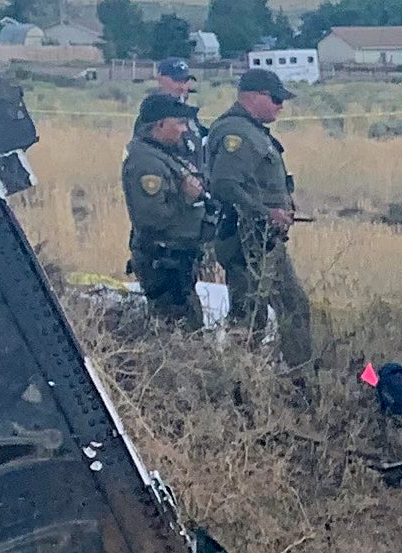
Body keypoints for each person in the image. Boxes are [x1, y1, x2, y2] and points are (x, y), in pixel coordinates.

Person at [201, 69, 314, 369]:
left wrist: (283, 204)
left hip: (264, 242)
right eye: (275, 99)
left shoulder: (252, 131)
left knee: (293, 308)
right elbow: (225, 185)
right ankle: (240, 384)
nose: (281, 106)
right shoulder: (236, 133)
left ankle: (300, 377)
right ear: (254, 96)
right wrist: (268, 213)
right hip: (245, 241)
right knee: (250, 319)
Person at [118, 92, 211, 327]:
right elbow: (151, 218)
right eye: (179, 123)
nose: (184, 129)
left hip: (178, 258)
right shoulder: (145, 162)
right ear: (159, 124)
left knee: (188, 325)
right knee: (177, 330)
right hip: (163, 261)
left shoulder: (164, 154)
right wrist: (186, 199)